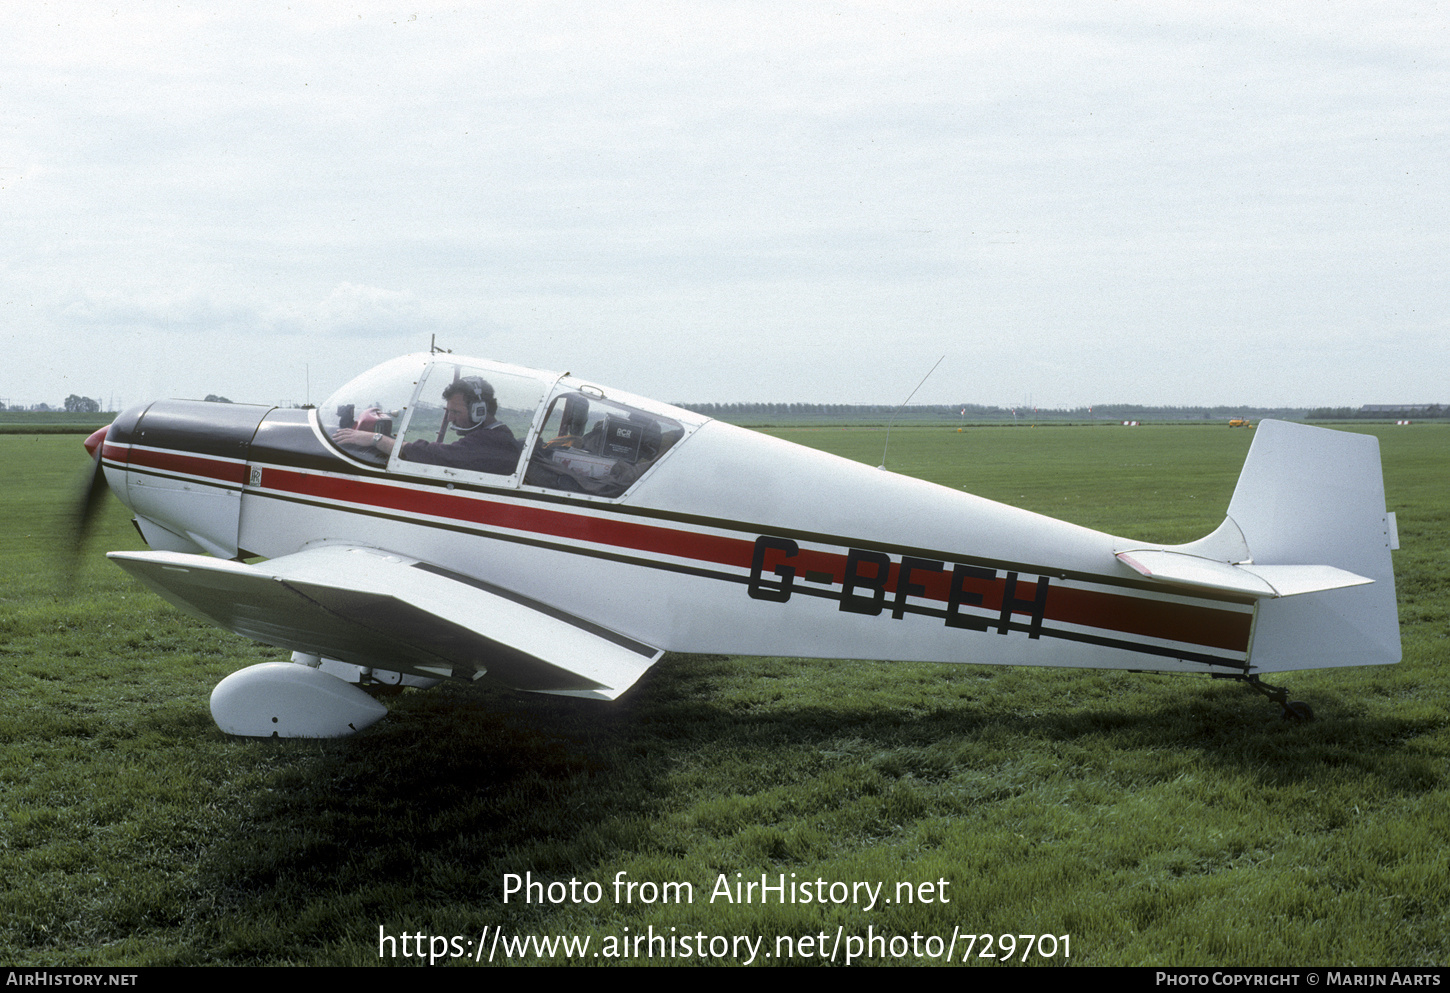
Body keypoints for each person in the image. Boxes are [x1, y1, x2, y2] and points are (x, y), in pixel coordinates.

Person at [332, 376, 522, 475]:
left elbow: (434, 454)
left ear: (479, 411)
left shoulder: (490, 441)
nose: (450, 419)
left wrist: (376, 439)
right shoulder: (499, 434)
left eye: (455, 412)